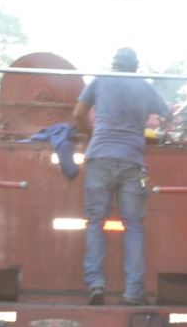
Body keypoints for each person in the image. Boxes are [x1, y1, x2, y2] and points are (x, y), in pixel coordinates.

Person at [73, 47, 172, 305]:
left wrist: (90, 134)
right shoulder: (145, 87)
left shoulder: (101, 80)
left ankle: (96, 284)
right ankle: (132, 292)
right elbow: (168, 115)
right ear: (135, 67)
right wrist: (156, 129)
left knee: (95, 223)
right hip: (132, 161)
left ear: (114, 64)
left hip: (100, 157)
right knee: (134, 226)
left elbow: (77, 114)